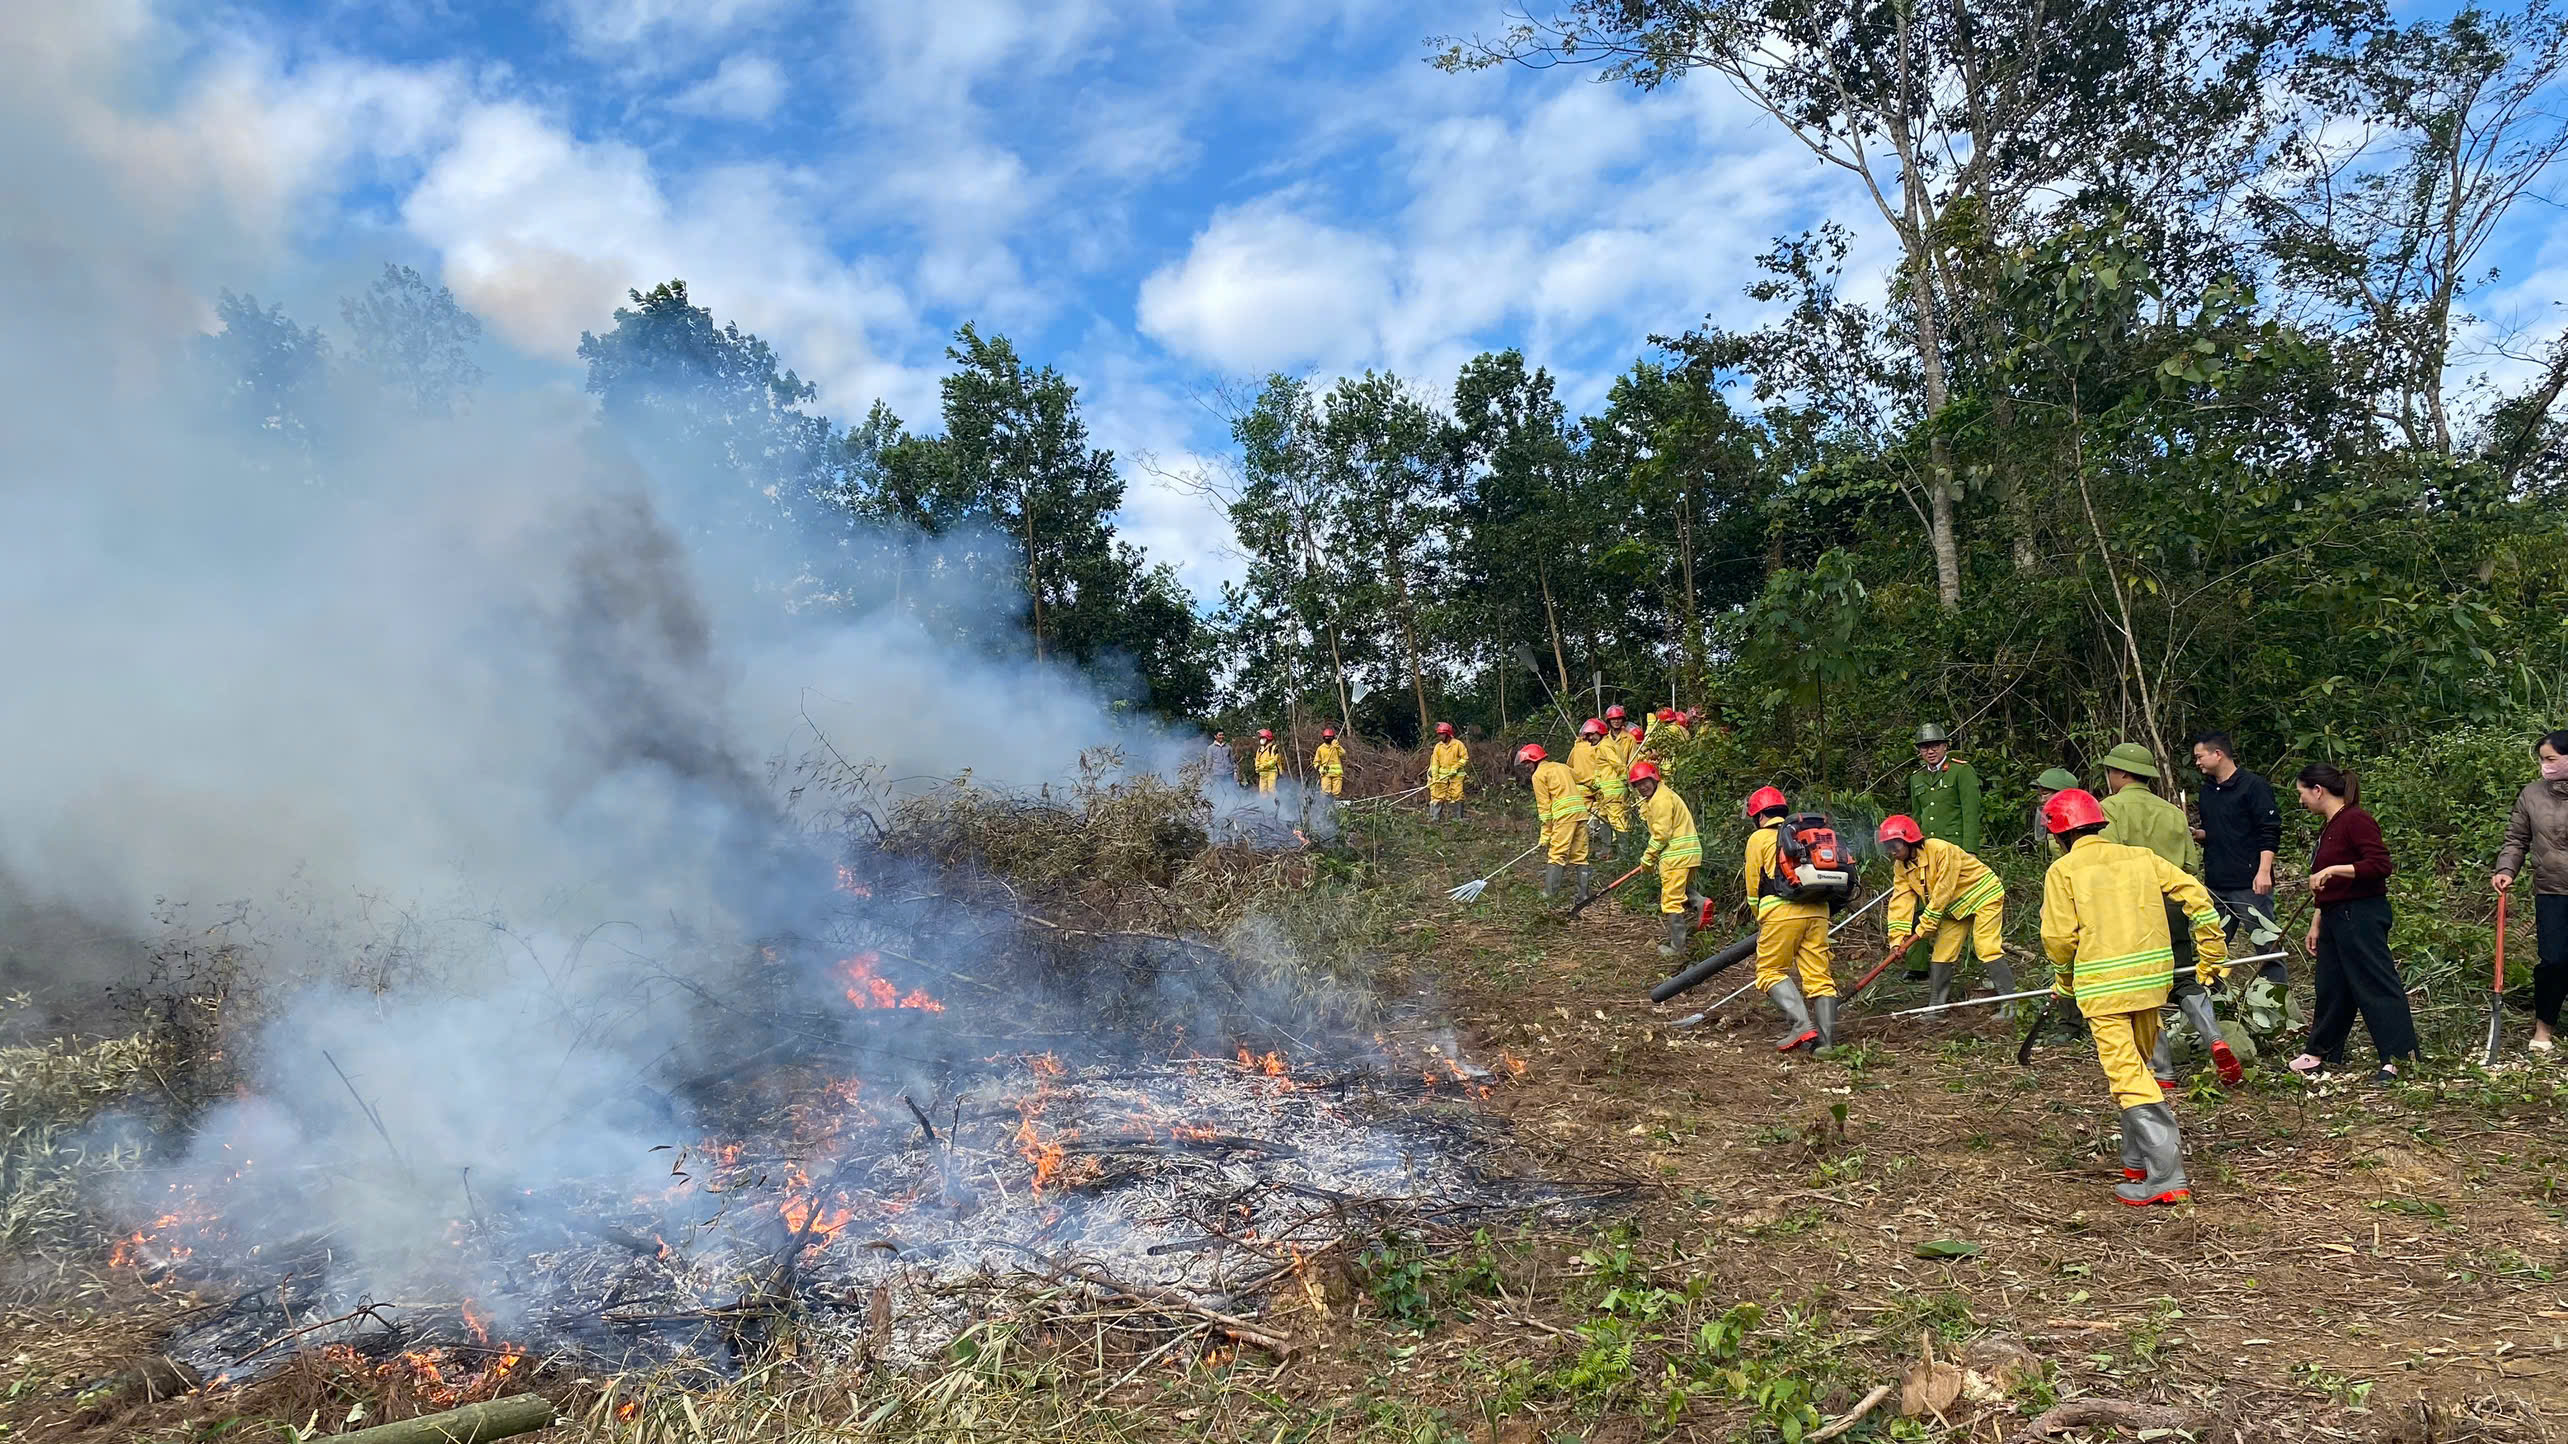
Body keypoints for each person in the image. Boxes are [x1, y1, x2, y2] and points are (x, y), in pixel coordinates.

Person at [2038, 788, 2228, 1206]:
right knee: (2139, 1071)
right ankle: (2136, 1163)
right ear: (2099, 824)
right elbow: (2196, 896)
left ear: (2058, 835)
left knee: (2128, 1078)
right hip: (2150, 985)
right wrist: (2212, 953)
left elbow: (2057, 937)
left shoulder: (2064, 871)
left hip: (2103, 992)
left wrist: (2064, 980)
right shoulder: (2140, 858)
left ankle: (2167, 1177)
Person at [2098, 742, 2234, 1089]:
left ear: (2123, 774)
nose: (2110, 777)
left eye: (2111, 771)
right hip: (2173, 903)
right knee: (2184, 977)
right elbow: (2190, 865)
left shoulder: (2109, 809)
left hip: (2131, 910)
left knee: (2144, 988)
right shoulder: (2172, 812)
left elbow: (2103, 861)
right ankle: (2215, 1038)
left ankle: (2164, 1072)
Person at [2289, 763, 2415, 1083]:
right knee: (2332, 987)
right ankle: (2320, 1052)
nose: (2300, 800)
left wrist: (2335, 870)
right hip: (2334, 915)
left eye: (2302, 793)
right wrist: (2317, 921)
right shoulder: (2329, 825)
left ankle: (2398, 1057)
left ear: (2318, 790)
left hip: (2361, 914)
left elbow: (2379, 864)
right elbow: (2325, 886)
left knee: (2374, 984)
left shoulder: (2355, 819)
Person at [1877, 815, 2013, 1005]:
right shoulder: (1901, 867)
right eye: (1887, 847)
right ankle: (1936, 1007)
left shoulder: (1940, 849)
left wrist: (1925, 925)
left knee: (1986, 947)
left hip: (1984, 896)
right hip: (1954, 908)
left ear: (1910, 840)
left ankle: (2009, 1004)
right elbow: (1901, 902)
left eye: (1895, 846)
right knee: (1942, 953)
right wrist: (1897, 940)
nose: (1891, 852)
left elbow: (1944, 889)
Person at [1744, 786, 1836, 1053]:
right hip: (1818, 909)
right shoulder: (1803, 834)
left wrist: (1757, 912)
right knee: (1819, 976)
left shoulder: (1759, 838)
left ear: (1759, 816)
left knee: (1770, 971)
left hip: (1781, 911)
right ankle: (1827, 1044)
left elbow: (1753, 883)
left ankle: (1801, 1026)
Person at [2493, 729, 2568, 1052]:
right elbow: (2516, 838)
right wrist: (2506, 869)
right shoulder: (2532, 795)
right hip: (2551, 890)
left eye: (2551, 759)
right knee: (2552, 961)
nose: (2545, 765)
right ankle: (2543, 1028)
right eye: (2542, 759)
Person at [2188, 732, 2284, 982]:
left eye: (2200, 757)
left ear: (2217, 754)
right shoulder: (2208, 791)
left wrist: (2263, 871)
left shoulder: (2254, 787)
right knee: (2212, 946)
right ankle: (2214, 1000)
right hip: (2217, 885)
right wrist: (2200, 834)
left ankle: (2280, 1002)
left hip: (2249, 882)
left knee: (2267, 947)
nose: (2196, 763)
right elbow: (2225, 829)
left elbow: (2269, 830)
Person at [1903, 725, 1983, 979]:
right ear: (1919, 751)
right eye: (1925, 747)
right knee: (1919, 904)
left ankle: (1975, 962)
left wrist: (1970, 850)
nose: (1931, 751)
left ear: (1945, 746)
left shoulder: (1961, 771)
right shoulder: (1916, 778)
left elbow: (1971, 812)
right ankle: (1917, 966)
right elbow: (1917, 817)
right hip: (1927, 854)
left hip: (1955, 853)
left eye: (1935, 745)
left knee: (1963, 907)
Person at [1629, 760, 1703, 960]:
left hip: (1676, 856)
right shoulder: (1662, 796)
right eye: (1638, 784)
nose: (1642, 787)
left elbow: (1661, 834)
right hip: (1688, 855)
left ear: (1654, 778)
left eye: (1645, 782)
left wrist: (1648, 857)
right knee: (1679, 891)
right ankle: (1700, 903)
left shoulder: (1661, 800)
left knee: (1671, 901)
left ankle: (1677, 947)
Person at [1515, 743, 1592, 902]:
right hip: (1580, 813)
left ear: (1535, 760)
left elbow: (1544, 808)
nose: (1527, 767)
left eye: (1527, 763)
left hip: (1564, 817)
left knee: (1557, 854)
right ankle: (1583, 895)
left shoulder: (1538, 776)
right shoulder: (1561, 766)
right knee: (1580, 855)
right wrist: (1596, 786)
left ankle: (1550, 894)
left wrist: (1545, 835)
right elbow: (1582, 778)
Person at [1594, 711, 1638, 851]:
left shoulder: (1629, 739)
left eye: (1619, 719)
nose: (1616, 722)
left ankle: (1624, 852)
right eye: (1613, 719)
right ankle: (1606, 849)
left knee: (1620, 817)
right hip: (1605, 785)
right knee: (1604, 816)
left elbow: (1632, 761)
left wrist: (1631, 780)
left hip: (1620, 782)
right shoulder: (1604, 740)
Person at [1427, 722, 1469, 822]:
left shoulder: (1458, 744)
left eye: (1442, 734)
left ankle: (1457, 819)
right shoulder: (1438, 747)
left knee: (1457, 795)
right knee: (1437, 796)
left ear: (1448, 734)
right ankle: (1435, 818)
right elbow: (1435, 763)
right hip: (1441, 777)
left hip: (1456, 776)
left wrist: (1456, 767)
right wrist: (1435, 777)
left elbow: (1465, 758)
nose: (1440, 736)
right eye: (1439, 734)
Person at [2031, 766, 2081, 851]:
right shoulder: (2052, 819)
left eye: (2045, 793)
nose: (2042, 800)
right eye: (2040, 795)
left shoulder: (2080, 821)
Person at [1313, 726, 1346, 799]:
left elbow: (1343, 754)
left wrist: (1338, 747)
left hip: (1337, 774)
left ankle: (1334, 807)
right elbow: (1316, 761)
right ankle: (1324, 807)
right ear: (1324, 738)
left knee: (1337, 793)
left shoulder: (1336, 747)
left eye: (1330, 737)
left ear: (1333, 737)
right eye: (1327, 737)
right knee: (1325, 792)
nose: (1328, 739)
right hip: (1326, 773)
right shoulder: (1321, 749)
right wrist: (1319, 768)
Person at [1253, 730, 1282, 796]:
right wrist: (1257, 766)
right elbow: (1257, 759)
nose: (1261, 740)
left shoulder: (1273, 748)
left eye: (1263, 738)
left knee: (1271, 790)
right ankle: (1265, 804)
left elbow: (1273, 761)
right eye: (1261, 738)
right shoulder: (1260, 749)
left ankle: (1276, 804)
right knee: (1262, 791)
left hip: (1271, 772)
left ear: (1268, 738)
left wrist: (1263, 766)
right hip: (1263, 773)